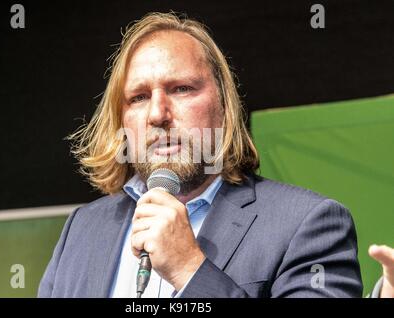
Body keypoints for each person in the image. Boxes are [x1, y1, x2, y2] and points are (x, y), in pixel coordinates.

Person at [38, 12, 364, 298]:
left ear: (223, 107)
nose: (157, 114)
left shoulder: (308, 224)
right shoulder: (82, 228)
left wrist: (190, 270)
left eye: (181, 89)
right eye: (137, 97)